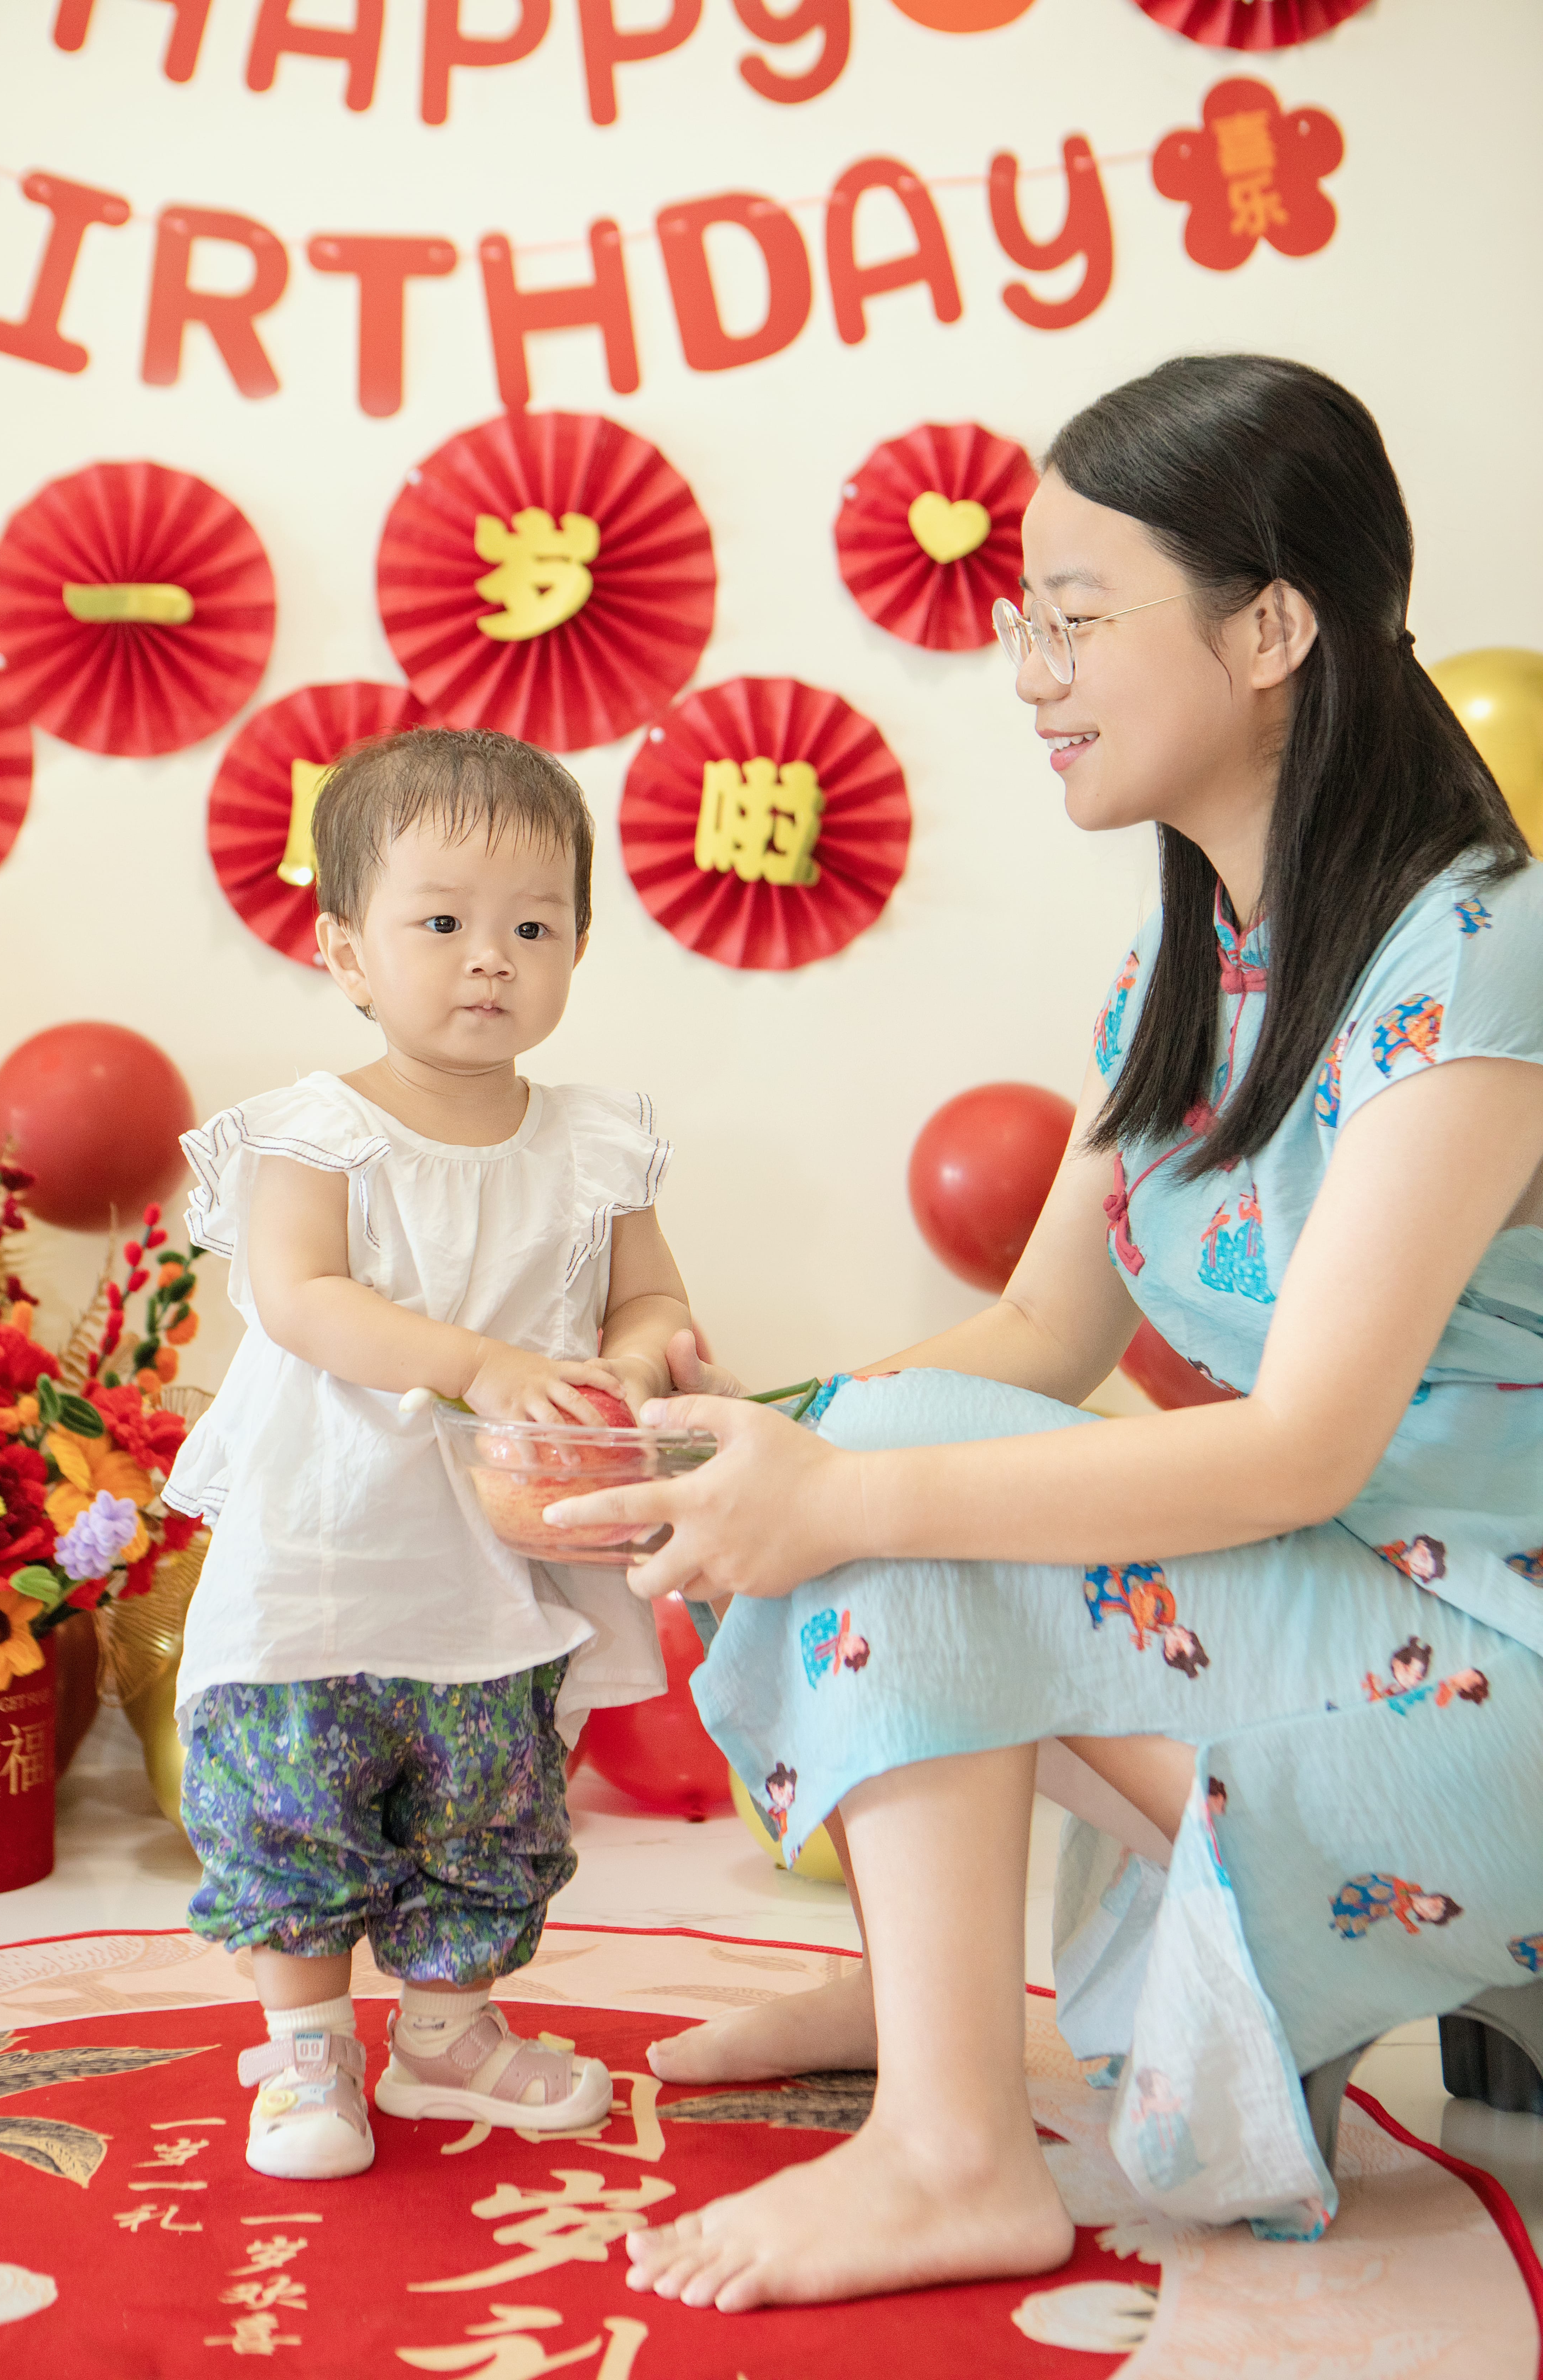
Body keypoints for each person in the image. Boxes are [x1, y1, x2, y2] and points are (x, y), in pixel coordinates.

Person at [547, 356, 1543, 2311]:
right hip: (1336, 1603)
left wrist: (844, 1484)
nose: (1029, 675)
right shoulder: (1190, 954)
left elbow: (1303, 1449)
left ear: (1271, 629)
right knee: (872, 1444)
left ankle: (949, 2154)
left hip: (1488, 1650)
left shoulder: (1480, 946)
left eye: (1074, 619)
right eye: (1025, 622)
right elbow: (1031, 1331)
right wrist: (738, 1429)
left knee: (887, 1490)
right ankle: (925, 1999)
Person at [166, 727, 707, 2182]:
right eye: (443, 924)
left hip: (495, 1562)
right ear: (347, 951)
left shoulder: (594, 1144)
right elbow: (304, 1299)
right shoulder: (317, 1134)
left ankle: (446, 2034)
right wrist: (480, 1363)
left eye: (533, 928)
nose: (490, 961)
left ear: (578, 946)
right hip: (328, 1555)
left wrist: (633, 1362)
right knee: (296, 1799)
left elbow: (650, 1299)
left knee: (490, 1794)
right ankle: (304, 2049)